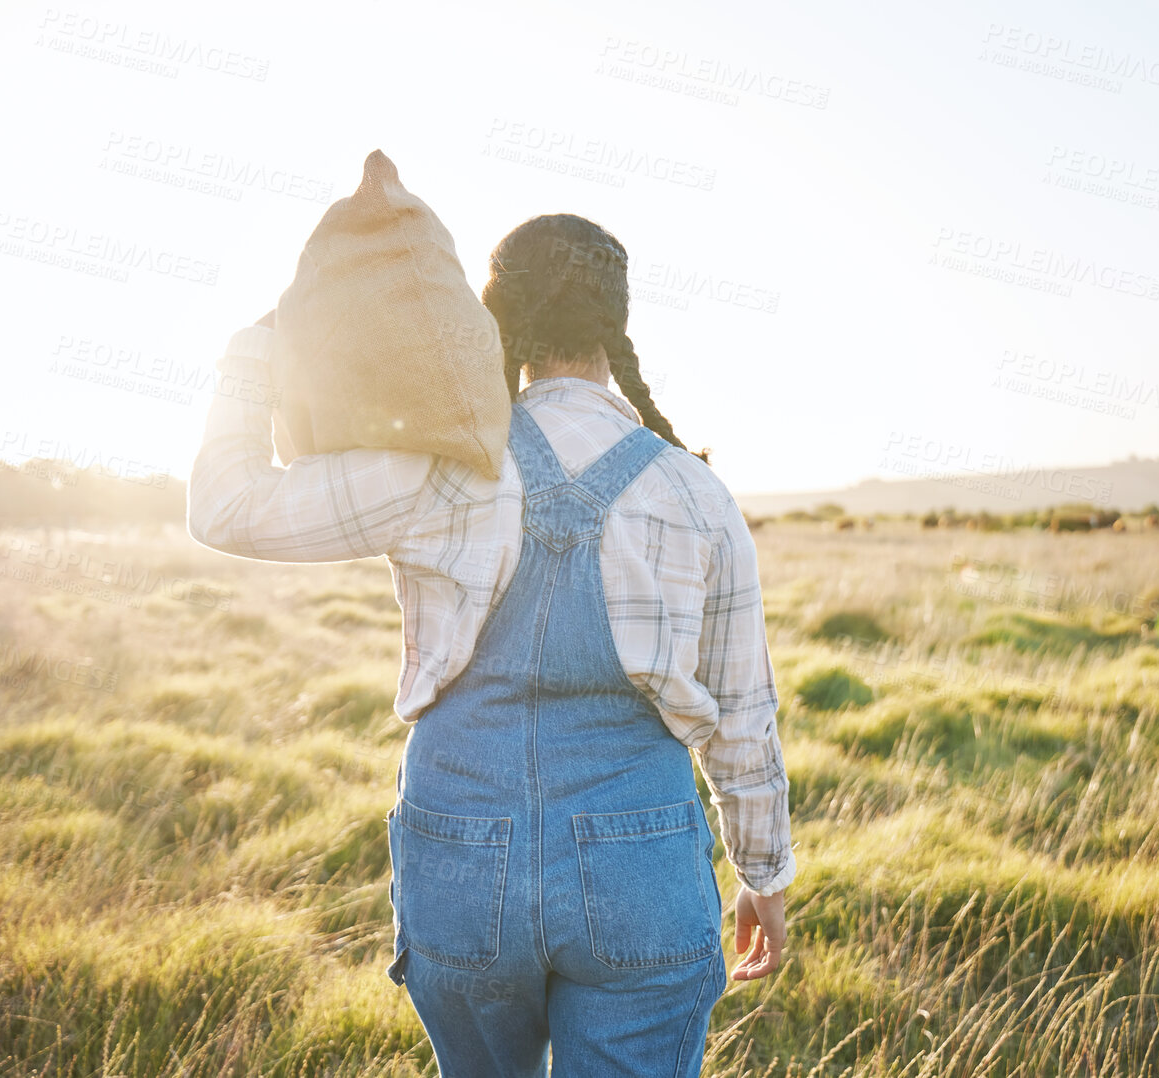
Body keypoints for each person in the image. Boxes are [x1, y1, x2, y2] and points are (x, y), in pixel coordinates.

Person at [187, 212, 793, 1076]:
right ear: (616, 324)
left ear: (494, 315)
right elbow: (743, 715)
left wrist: (256, 354)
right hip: (642, 875)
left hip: (461, 862)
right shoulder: (696, 494)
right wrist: (762, 873)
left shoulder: (437, 465)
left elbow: (227, 506)